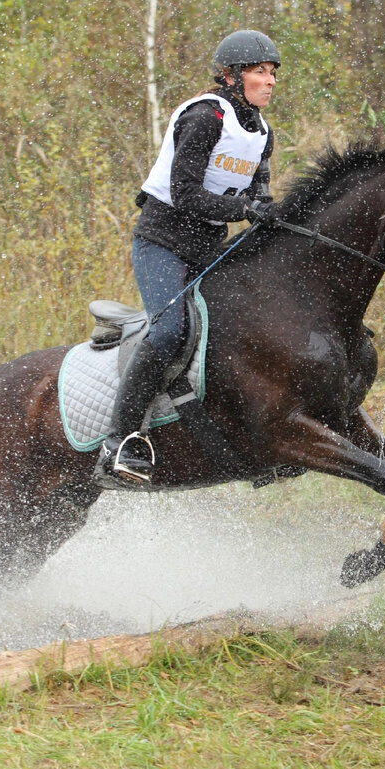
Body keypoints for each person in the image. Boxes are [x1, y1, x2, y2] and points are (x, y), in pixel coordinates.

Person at [95, 29, 281, 485]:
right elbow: (183, 194)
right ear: (231, 76)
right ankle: (119, 441)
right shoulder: (205, 117)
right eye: (260, 71)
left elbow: (259, 196)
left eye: (273, 73)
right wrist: (244, 209)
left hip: (206, 249)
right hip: (162, 242)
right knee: (171, 330)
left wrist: (274, 214)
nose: (270, 81)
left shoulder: (261, 133)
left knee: (241, 321)